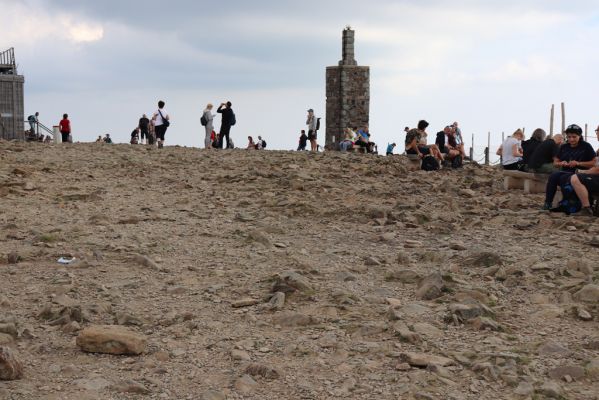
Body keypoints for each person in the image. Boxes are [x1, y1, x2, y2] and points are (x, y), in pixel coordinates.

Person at [543, 124, 597, 210]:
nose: (571, 139)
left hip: (580, 173)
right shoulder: (564, 146)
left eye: (574, 137)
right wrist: (561, 163)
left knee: (564, 177)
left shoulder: (586, 146)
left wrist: (578, 163)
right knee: (553, 176)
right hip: (566, 171)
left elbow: (594, 163)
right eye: (569, 137)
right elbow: (555, 162)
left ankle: (568, 203)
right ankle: (548, 202)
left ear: (579, 136)